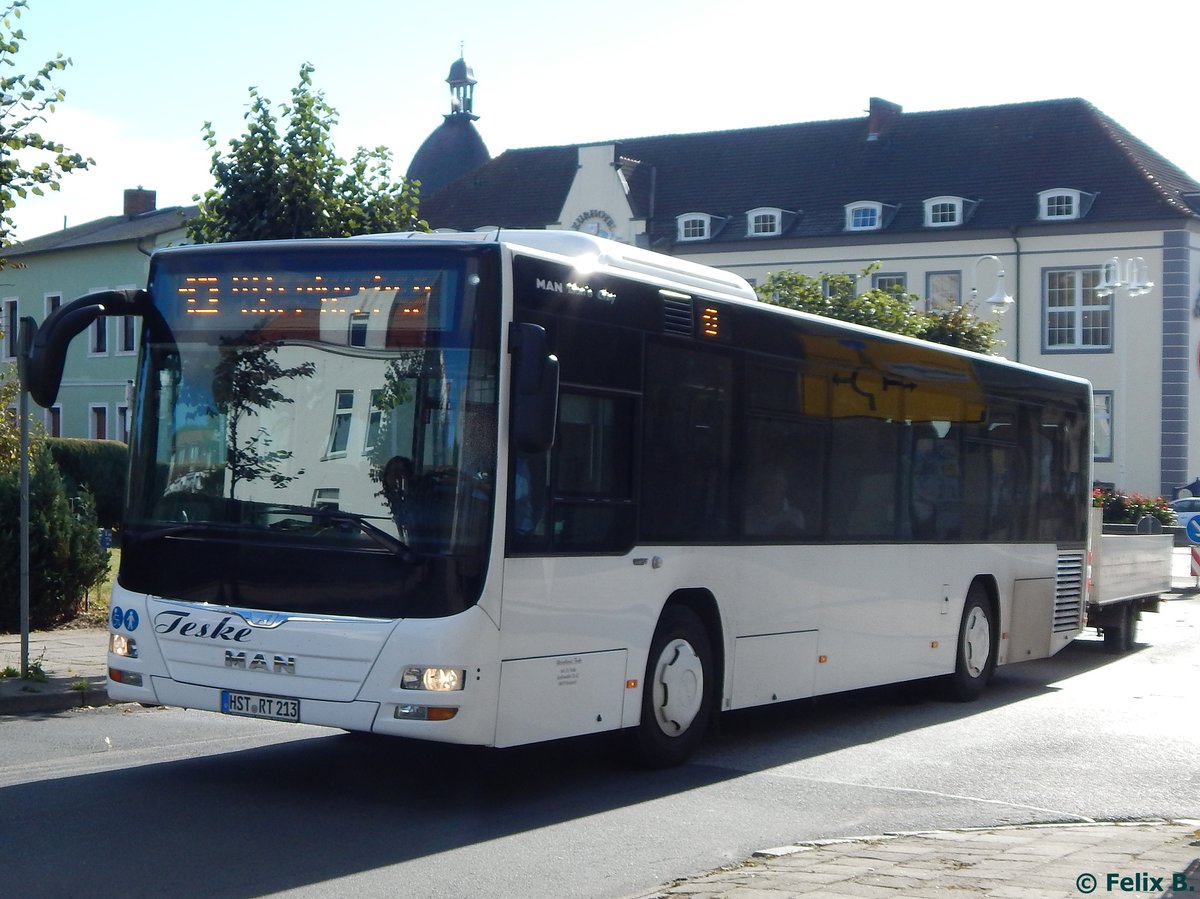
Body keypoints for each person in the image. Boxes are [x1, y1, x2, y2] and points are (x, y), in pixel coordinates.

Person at [744, 469, 806, 537]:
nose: (772, 487)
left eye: (776, 483)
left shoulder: (796, 515)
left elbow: (798, 541)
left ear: (784, 487)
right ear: (763, 487)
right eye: (768, 483)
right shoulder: (750, 514)